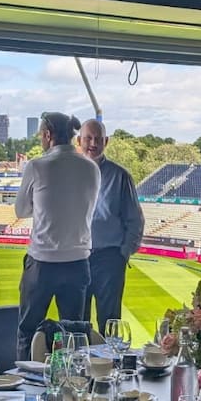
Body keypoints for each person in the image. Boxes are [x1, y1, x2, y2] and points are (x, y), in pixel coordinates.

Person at [14, 112, 99, 360]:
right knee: (75, 337)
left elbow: (21, 210)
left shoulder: (38, 166)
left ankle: (24, 390)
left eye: (42, 134)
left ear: (48, 135)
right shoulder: (91, 168)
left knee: (27, 333)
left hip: (42, 263)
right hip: (78, 263)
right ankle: (75, 390)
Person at [78, 119, 144, 330]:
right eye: (88, 138)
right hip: (76, 258)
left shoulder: (120, 176)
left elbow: (135, 219)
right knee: (77, 323)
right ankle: (82, 363)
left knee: (109, 323)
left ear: (106, 142)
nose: (93, 143)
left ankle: (109, 363)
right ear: (79, 140)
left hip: (109, 259)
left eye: (98, 139)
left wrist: (122, 254)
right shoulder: (71, 174)